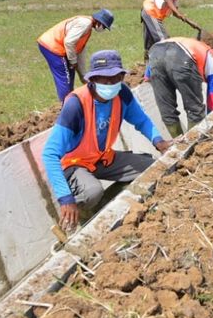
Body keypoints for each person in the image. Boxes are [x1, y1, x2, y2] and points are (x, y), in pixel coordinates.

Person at [42, 50, 172, 231]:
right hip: (74, 164)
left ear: (121, 76)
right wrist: (65, 198)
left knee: (152, 168)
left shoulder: (122, 94)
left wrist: (159, 142)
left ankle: (106, 207)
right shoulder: (76, 104)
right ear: (92, 80)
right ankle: (79, 218)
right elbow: (50, 153)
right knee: (92, 192)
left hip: (102, 158)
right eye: (103, 78)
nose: (110, 83)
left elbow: (141, 120)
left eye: (115, 78)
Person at [148, 37, 213, 138]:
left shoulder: (203, 55)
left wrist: (151, 75)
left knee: (167, 111)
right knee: (195, 110)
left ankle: (179, 144)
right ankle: (194, 142)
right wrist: (212, 123)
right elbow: (212, 98)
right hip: (181, 55)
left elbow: (148, 76)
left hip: (155, 54)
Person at [37, 9, 114, 102]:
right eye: (104, 27)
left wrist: (83, 76)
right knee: (65, 78)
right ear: (99, 22)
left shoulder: (87, 28)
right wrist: (73, 61)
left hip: (57, 47)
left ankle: (69, 102)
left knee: (70, 73)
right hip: (53, 47)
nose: (103, 29)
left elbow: (79, 51)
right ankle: (66, 106)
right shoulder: (85, 24)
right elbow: (69, 42)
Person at [141, 0, 202, 79]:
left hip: (151, 14)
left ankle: (147, 74)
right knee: (164, 41)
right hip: (150, 12)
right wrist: (190, 22)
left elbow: (175, 13)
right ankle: (166, 69)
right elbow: (172, 8)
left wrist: (189, 22)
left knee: (150, 44)